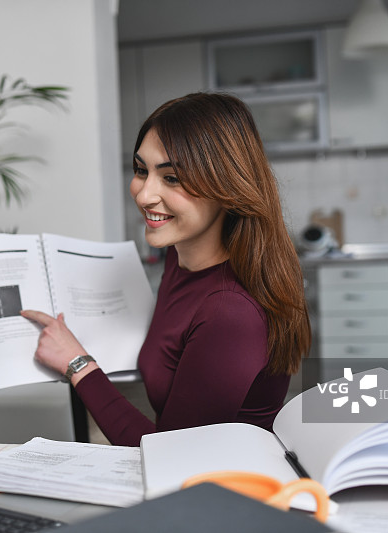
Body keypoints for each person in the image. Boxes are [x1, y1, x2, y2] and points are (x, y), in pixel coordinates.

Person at [21, 92, 310, 447]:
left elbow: (171, 456)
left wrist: (78, 364)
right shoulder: (179, 258)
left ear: (227, 187)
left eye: (172, 178)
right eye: (142, 170)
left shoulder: (229, 312)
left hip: (217, 490)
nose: (144, 195)